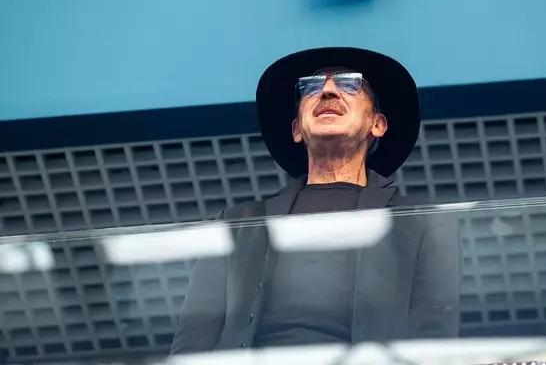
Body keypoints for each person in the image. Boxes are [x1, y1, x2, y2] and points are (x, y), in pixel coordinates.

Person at [170, 47, 460, 353]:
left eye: (349, 83)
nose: (327, 91)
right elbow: (192, 342)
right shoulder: (236, 225)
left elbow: (434, 341)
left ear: (377, 124)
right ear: (297, 129)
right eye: (310, 87)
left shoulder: (424, 222)